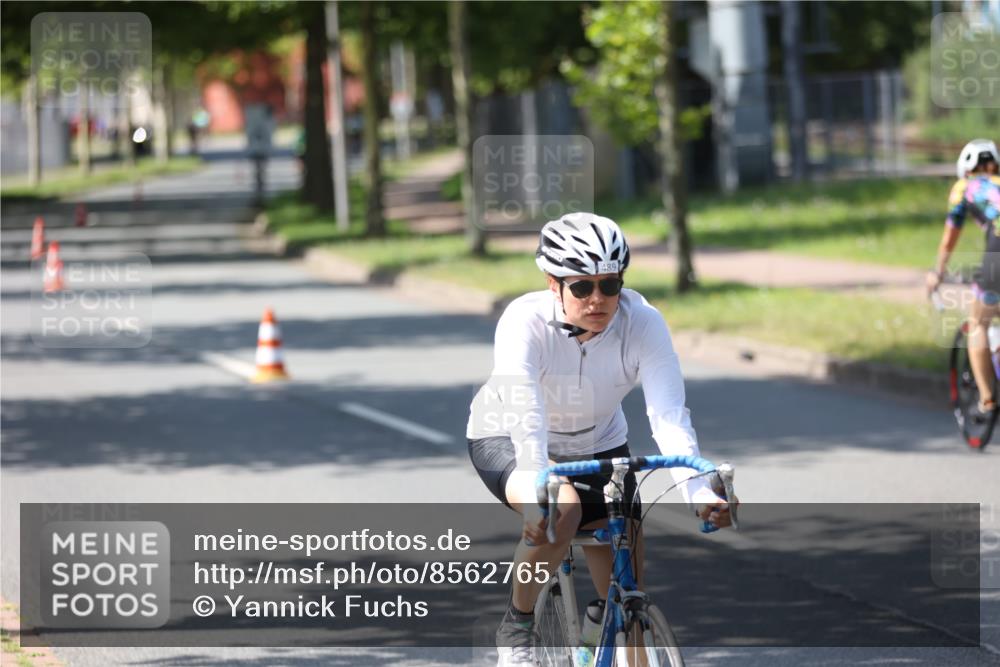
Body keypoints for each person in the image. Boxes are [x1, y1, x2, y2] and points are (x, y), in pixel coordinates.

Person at [466, 212, 733, 667]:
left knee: (626, 589)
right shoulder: (523, 322)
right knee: (561, 510)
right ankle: (518, 624)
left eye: (610, 285)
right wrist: (536, 492)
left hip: (600, 443)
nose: (598, 299)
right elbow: (525, 414)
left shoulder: (643, 322)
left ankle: (605, 631)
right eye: (582, 287)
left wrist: (699, 489)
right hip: (510, 436)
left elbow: (668, 416)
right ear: (553, 283)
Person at [927, 139, 1000, 419]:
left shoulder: (964, 187)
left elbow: (949, 238)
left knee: (978, 322)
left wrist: (938, 272)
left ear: (967, 169)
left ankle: (987, 399)